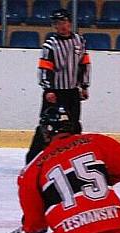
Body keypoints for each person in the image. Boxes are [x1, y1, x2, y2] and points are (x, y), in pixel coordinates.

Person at [28, 8, 91, 163]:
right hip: (54, 92)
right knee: (47, 126)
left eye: (65, 22)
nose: (62, 26)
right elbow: (44, 68)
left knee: (74, 126)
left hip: (72, 92)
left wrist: (84, 86)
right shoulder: (50, 44)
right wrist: (48, 89)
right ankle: (33, 160)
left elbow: (84, 64)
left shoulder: (79, 41)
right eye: (58, 23)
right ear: (54, 26)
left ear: (70, 23)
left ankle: (73, 159)